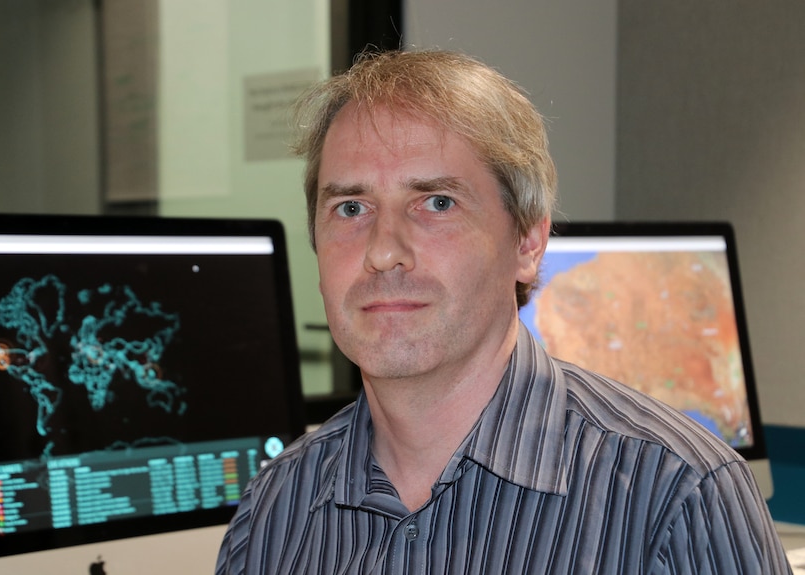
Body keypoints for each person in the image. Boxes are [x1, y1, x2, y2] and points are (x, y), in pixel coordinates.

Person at [215, 50, 790, 574]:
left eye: (436, 203)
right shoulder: (275, 510)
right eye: (351, 206)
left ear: (527, 243)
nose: (384, 250)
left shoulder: (674, 495)